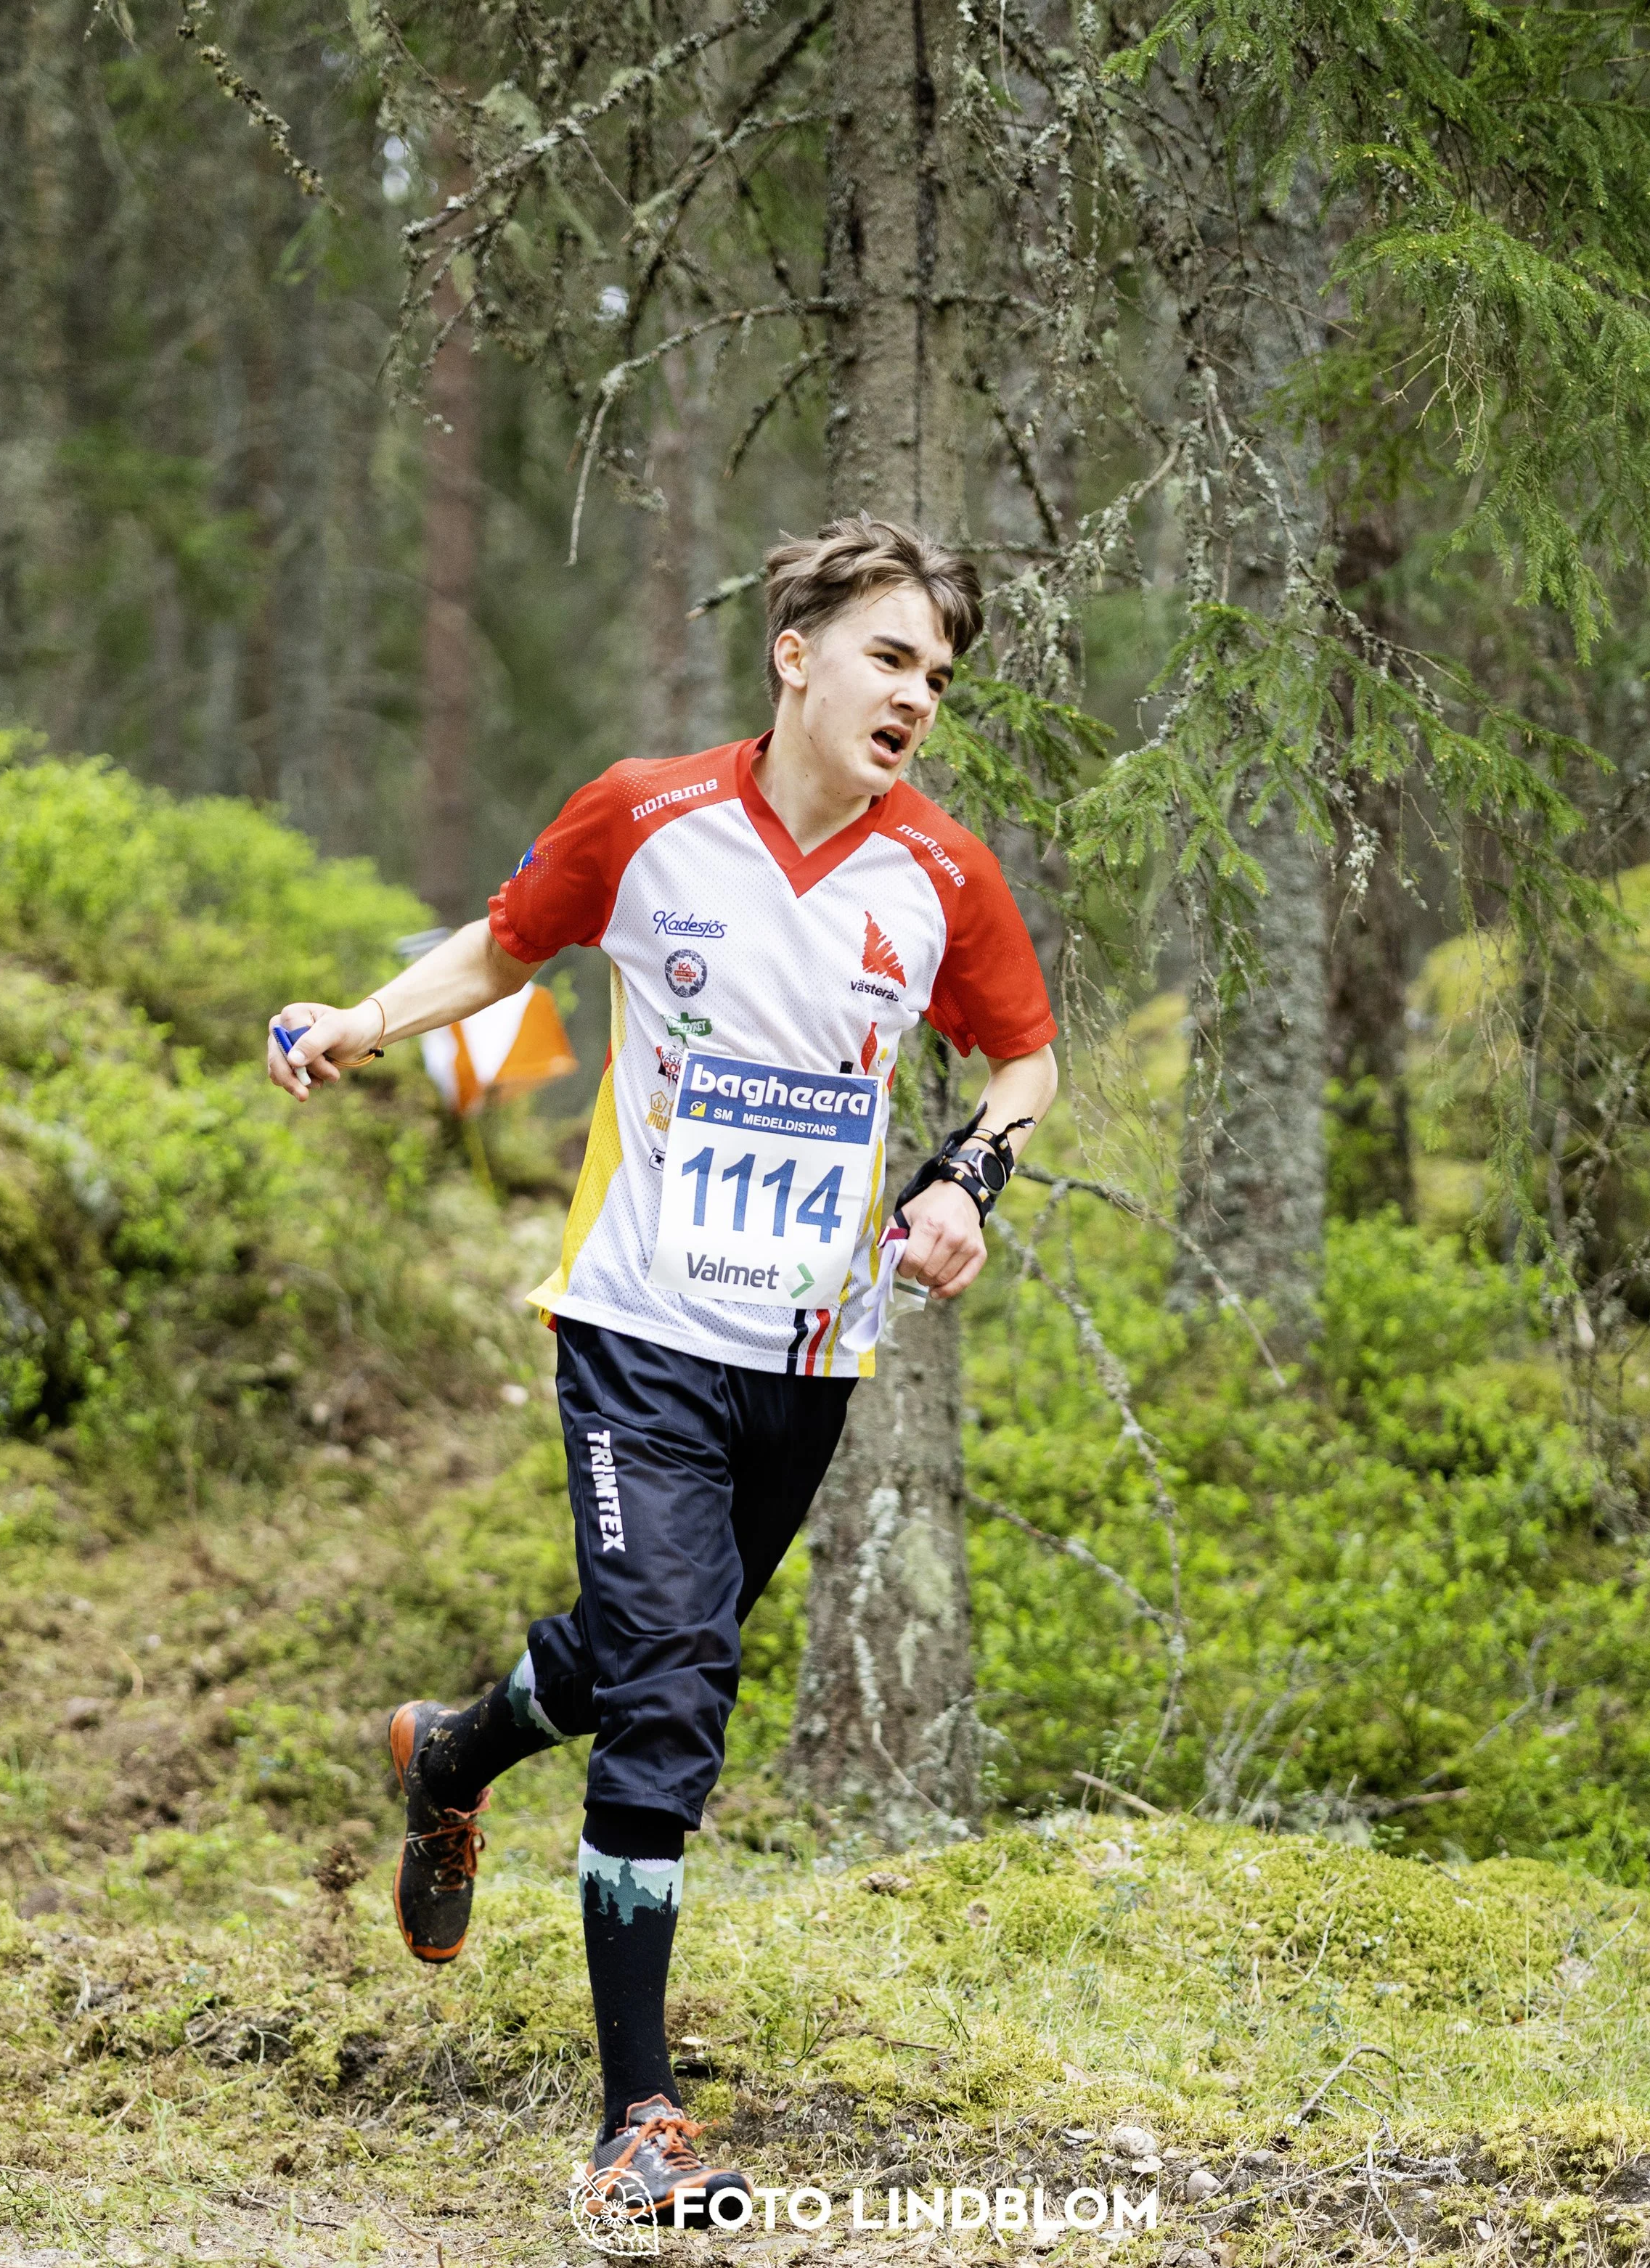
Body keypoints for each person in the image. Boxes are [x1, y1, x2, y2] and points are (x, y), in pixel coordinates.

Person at [266, 517, 1058, 2224]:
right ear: (795, 652)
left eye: (937, 672)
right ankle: (636, 2122)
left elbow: (1023, 1058)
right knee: (678, 1678)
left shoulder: (937, 875)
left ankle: (455, 1750)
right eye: (888, 655)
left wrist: (961, 1179)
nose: (915, 694)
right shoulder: (647, 812)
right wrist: (359, 1021)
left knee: (646, 1651)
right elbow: (505, 944)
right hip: (636, 1328)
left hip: (807, 1351)